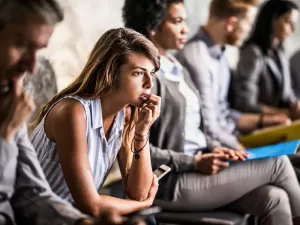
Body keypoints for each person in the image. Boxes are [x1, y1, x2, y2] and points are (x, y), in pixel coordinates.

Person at [122, 0, 300, 224]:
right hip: (170, 179)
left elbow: (199, 129)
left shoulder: (176, 66)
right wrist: (194, 161)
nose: (186, 28)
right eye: (177, 22)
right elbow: (136, 148)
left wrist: (219, 150)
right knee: (278, 163)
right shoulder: (146, 78)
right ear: (153, 26)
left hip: (198, 165)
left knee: (275, 198)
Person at [0, 0, 146, 225]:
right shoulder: (72, 112)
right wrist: (5, 138)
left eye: (38, 50)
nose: (31, 68)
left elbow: (30, 193)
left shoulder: (9, 101)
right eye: (20, 44)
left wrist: (83, 223)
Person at [30, 27, 160, 217]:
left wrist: (142, 132)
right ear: (111, 73)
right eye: (139, 73)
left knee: (145, 220)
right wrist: (143, 205)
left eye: (152, 73)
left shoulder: (126, 115)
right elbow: (91, 205)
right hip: (35, 216)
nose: (149, 83)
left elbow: (138, 193)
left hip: (70, 216)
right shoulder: (73, 112)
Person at [175, 0, 290, 151]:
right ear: (231, 23)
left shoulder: (220, 55)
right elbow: (210, 129)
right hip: (215, 150)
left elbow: (225, 115)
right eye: (248, 23)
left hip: (231, 139)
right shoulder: (196, 58)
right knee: (283, 163)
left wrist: (264, 121)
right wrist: (246, 149)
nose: (249, 31)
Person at [234, 0, 300, 119]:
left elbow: (287, 93)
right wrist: (285, 113)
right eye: (287, 21)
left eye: (294, 23)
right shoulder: (252, 53)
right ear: (272, 19)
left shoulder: (280, 53)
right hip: (258, 123)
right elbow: (245, 104)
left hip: (281, 120)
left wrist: (294, 105)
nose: (292, 29)